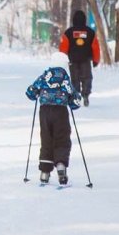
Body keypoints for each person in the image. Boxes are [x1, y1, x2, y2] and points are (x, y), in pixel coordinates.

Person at [24, 52, 82, 185]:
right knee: (62, 138)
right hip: (60, 111)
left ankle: (45, 172)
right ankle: (61, 166)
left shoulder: (44, 76)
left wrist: (36, 93)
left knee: (46, 139)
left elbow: (30, 92)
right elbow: (74, 98)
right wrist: (73, 102)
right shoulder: (65, 78)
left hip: (44, 111)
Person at [59, 9, 100, 106]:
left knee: (75, 78)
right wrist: (95, 60)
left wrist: (62, 60)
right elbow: (95, 47)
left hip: (73, 60)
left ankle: (76, 95)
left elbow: (63, 47)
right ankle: (85, 95)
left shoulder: (69, 32)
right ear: (85, 19)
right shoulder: (90, 32)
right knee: (87, 78)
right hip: (86, 60)